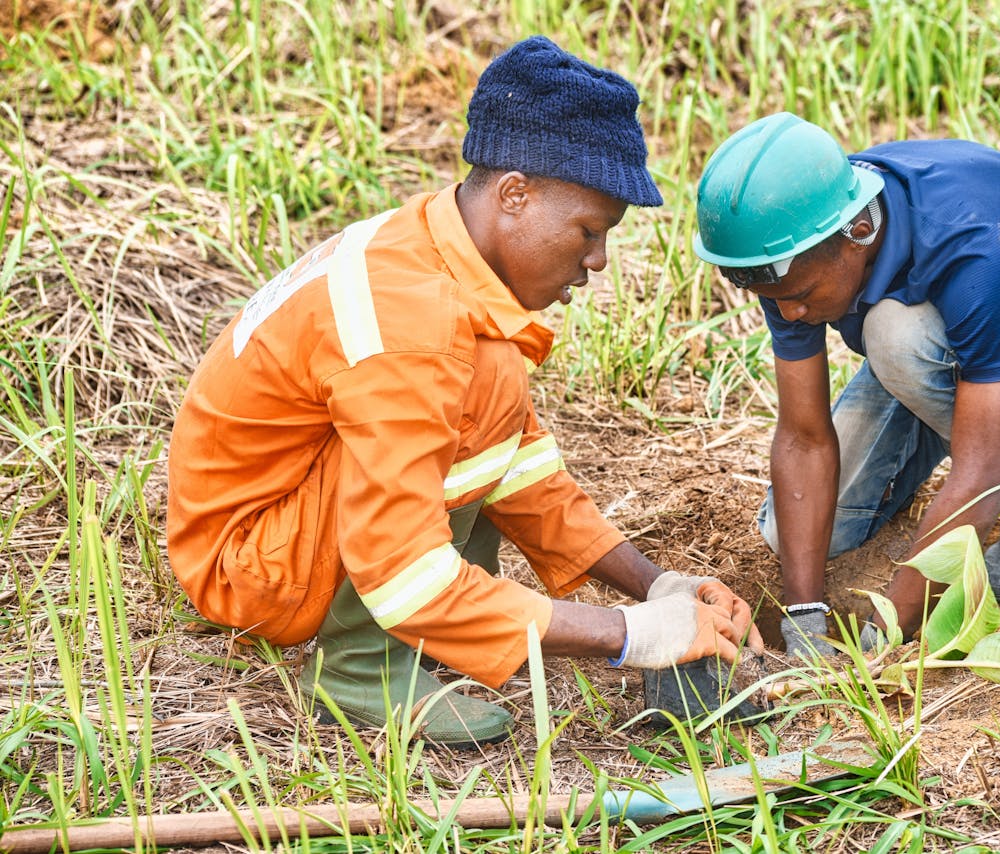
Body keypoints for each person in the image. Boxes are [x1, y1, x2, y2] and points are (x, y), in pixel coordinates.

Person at [167, 35, 762, 747]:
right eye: (587, 231)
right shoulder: (414, 327)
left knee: (483, 384)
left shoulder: (435, 247)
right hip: (252, 565)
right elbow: (402, 569)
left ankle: (432, 639)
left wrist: (654, 585)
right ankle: (361, 668)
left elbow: (524, 471)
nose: (596, 260)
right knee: (470, 384)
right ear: (515, 193)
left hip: (286, 515)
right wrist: (629, 635)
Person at [693, 113, 1000, 657]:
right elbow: (803, 437)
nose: (790, 312)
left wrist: (882, 641)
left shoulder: (978, 250)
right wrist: (803, 615)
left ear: (858, 232)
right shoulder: (789, 251)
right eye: (775, 296)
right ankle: (938, 401)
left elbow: (980, 476)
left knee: (899, 337)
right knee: (795, 535)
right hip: (940, 348)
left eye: (802, 294)